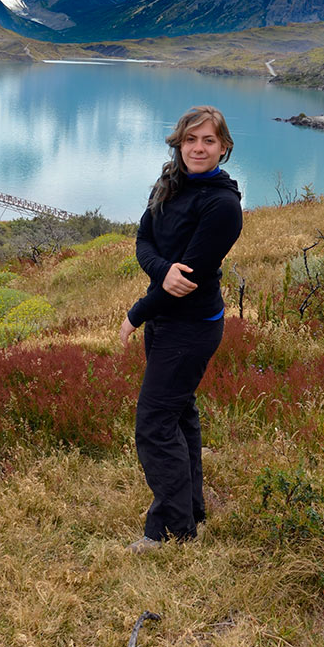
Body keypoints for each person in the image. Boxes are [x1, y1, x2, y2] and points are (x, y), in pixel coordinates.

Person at [120, 104, 243, 552]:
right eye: (191, 139)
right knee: (178, 413)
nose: (198, 148)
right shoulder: (170, 182)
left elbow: (185, 281)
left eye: (209, 140)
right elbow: (144, 241)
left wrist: (136, 313)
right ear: (179, 143)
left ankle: (169, 531)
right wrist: (162, 269)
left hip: (191, 327)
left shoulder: (223, 206)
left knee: (154, 422)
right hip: (166, 321)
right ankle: (190, 511)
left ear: (223, 147)